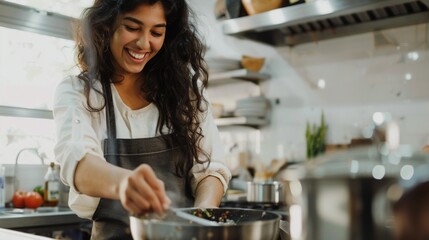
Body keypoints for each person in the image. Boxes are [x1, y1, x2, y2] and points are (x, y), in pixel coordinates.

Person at [52, 0, 231, 239]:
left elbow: (210, 170)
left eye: (157, 32)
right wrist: (124, 183)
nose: (144, 43)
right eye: (132, 27)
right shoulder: (79, 92)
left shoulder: (185, 90)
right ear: (107, 25)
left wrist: (201, 217)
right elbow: (78, 161)